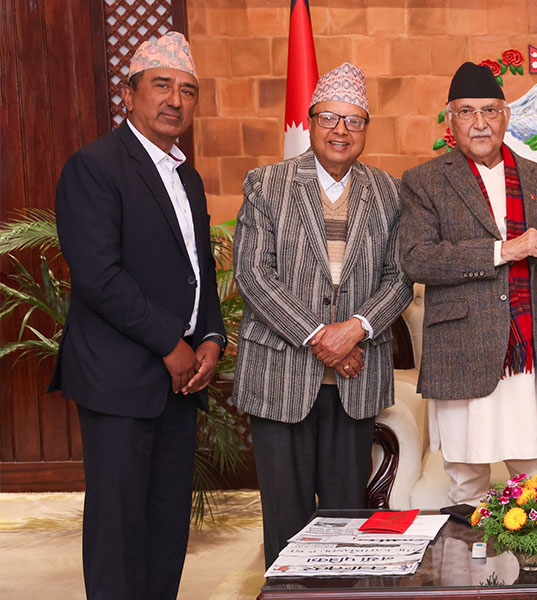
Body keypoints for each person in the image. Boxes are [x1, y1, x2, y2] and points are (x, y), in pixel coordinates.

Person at [49, 32, 226, 599]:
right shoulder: (95, 166)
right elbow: (98, 275)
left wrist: (212, 339)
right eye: (162, 85)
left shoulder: (189, 177)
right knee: (117, 532)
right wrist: (172, 344)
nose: (176, 99)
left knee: (165, 528)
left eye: (189, 91)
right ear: (129, 94)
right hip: (120, 379)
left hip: (181, 383)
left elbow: (200, 272)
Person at [232, 62, 413, 568]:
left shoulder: (388, 192)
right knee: (286, 523)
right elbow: (252, 274)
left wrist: (355, 329)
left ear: (365, 131)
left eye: (354, 121)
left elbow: (399, 278)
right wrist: (319, 337)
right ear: (309, 122)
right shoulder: (267, 185)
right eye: (330, 118)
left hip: (354, 385)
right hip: (280, 379)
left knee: (344, 524)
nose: (341, 130)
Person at [398, 62, 537, 505]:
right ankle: (465, 575)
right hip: (461, 354)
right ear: (450, 120)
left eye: (490, 110)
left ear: (506, 116)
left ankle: (536, 571)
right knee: (466, 489)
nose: (479, 122)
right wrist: (503, 250)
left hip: (528, 358)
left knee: (536, 490)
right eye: (466, 112)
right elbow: (417, 260)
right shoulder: (424, 181)